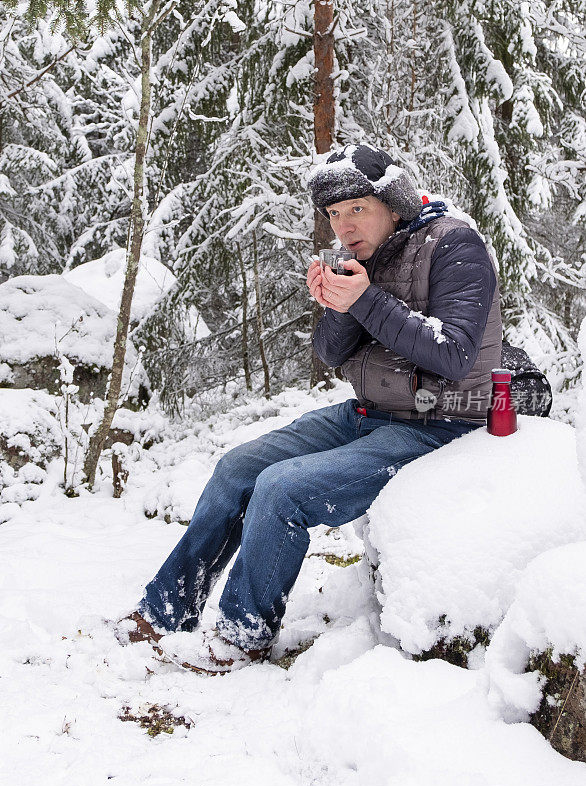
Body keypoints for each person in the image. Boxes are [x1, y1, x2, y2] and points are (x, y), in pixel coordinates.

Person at [118, 143, 502, 674]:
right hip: (371, 412)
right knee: (238, 469)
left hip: (439, 423)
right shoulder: (359, 258)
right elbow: (330, 354)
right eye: (333, 214)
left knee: (283, 488)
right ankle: (166, 610)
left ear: (393, 204)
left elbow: (455, 355)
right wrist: (337, 305)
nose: (344, 226)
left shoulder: (456, 245)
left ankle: (241, 635)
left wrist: (363, 300)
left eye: (357, 209)